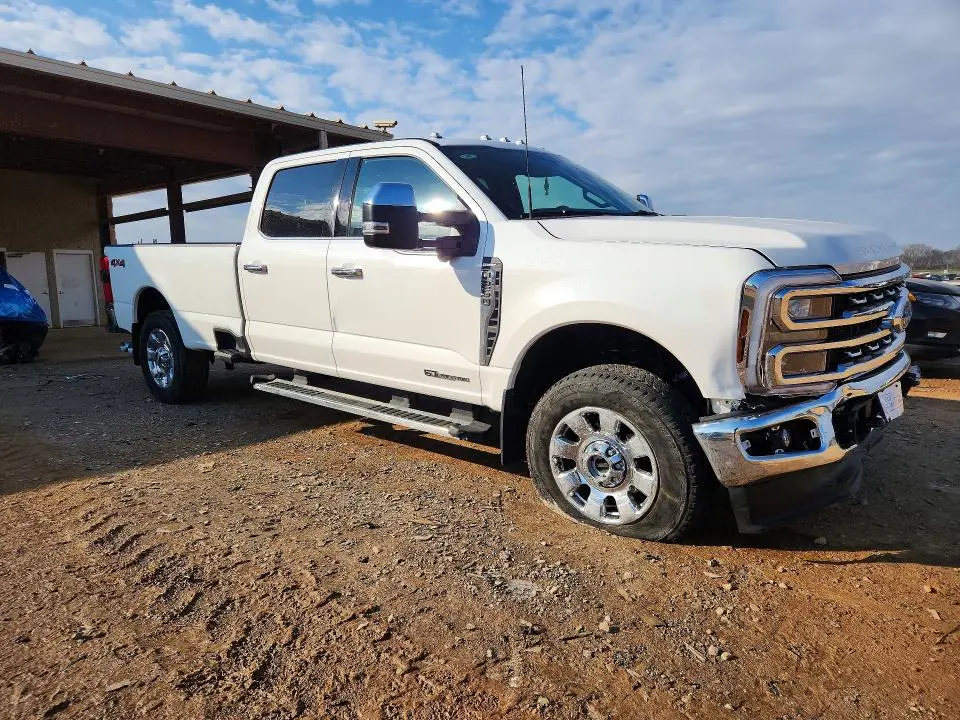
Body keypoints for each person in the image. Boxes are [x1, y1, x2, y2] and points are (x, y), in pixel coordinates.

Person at [100, 255, 122, 333]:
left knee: (110, 307)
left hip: (110, 292)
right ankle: (115, 325)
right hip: (109, 290)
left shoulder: (108, 261)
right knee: (110, 307)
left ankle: (116, 326)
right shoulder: (110, 261)